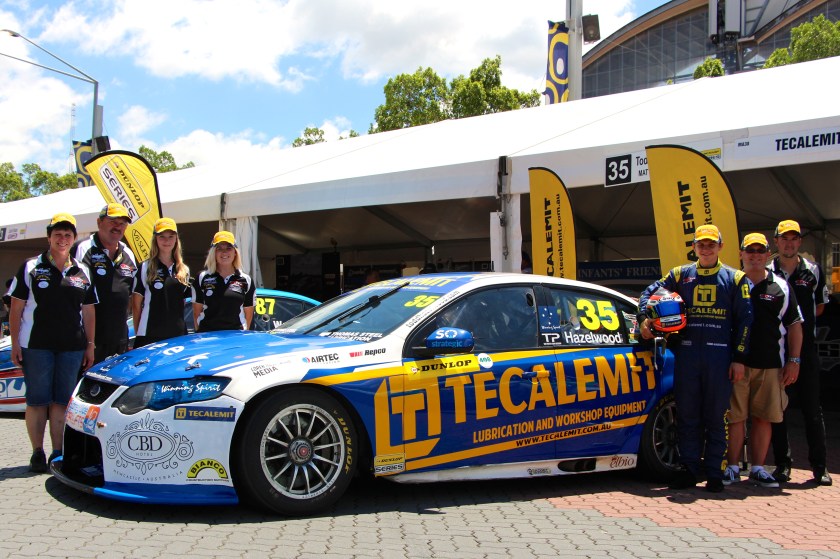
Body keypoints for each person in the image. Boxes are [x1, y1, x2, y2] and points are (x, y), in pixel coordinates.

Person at [639, 224, 752, 493]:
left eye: (711, 244)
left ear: (720, 247)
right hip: (687, 355)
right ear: (694, 247)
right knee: (687, 416)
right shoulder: (680, 274)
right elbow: (649, 293)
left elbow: (746, 320)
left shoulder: (735, 278)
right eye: (701, 244)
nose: (706, 248)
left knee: (716, 417)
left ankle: (715, 471)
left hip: (719, 357)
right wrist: (645, 318)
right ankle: (689, 468)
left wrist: (739, 357)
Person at [8, 213, 96, 473]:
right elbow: (16, 308)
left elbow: (89, 310)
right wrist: (14, 343)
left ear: (73, 239)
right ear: (49, 237)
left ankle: (57, 453)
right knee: (37, 400)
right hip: (36, 345)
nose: (62, 238)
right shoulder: (31, 266)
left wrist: (90, 344)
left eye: (68, 234)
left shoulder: (82, 270)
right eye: (57, 234)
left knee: (61, 401)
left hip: (72, 346)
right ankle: (37, 452)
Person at [723, 233, 802, 488]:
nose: (755, 255)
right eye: (750, 250)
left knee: (763, 418)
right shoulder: (731, 283)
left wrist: (794, 360)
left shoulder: (781, 286)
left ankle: (757, 468)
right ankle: (733, 468)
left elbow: (794, 326)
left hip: (771, 365)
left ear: (768, 255)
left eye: (760, 251)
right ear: (741, 254)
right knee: (735, 417)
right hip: (736, 364)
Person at [770, 219, 832, 485]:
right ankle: (783, 465)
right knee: (778, 409)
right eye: (784, 238)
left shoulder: (814, 270)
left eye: (794, 238)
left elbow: (819, 307)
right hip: (776, 350)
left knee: (812, 409)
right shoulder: (768, 270)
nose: (789, 243)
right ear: (776, 241)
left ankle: (820, 468)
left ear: (800, 242)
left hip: (806, 351)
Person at [73, 203, 137, 363]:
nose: (118, 227)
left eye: (122, 223)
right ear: (99, 222)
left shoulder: (128, 253)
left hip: (119, 338)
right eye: (113, 221)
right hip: (86, 338)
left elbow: (132, 295)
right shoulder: (82, 248)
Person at [131, 218, 191, 347]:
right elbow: (136, 306)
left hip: (178, 335)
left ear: (176, 239)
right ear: (155, 239)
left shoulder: (183, 270)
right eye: (162, 237)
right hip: (149, 335)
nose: (166, 241)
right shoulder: (145, 267)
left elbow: (183, 304)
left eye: (170, 236)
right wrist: (139, 334)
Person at [192, 231, 255, 332]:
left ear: (235, 252)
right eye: (219, 248)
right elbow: (196, 313)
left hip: (235, 337)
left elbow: (249, 314)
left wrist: (243, 334)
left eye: (228, 248)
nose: (224, 252)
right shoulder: (202, 277)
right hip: (208, 336)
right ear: (214, 253)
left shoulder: (246, 280)